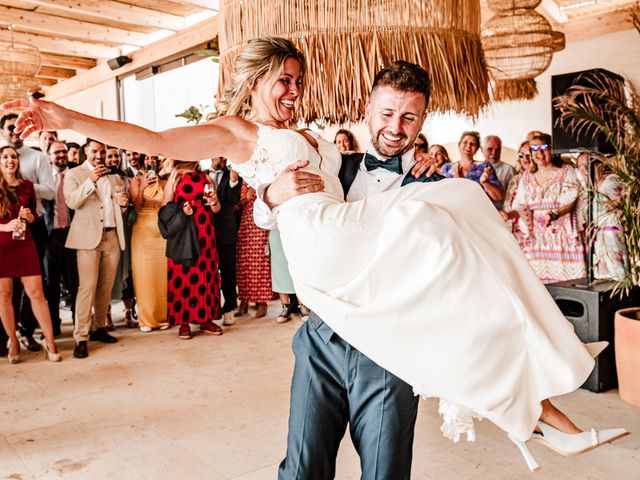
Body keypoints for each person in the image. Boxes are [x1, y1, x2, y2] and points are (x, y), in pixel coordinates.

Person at [3, 38, 626, 474]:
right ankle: (539, 399)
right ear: (254, 84)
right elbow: (155, 139)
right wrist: (66, 116)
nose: (294, 91)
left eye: (300, 81)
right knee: (304, 464)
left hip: (366, 284)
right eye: (284, 81)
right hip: (330, 268)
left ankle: (541, 395)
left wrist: (275, 191)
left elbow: (317, 184)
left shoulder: (323, 139)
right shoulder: (236, 132)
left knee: (463, 204)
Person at [63, 139, 128, 358]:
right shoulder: (74, 174)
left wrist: (124, 203)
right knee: (87, 287)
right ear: (86, 152)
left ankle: (100, 327)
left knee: (105, 286)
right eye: (94, 151)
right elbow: (72, 202)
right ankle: (81, 336)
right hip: (88, 239)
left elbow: (117, 205)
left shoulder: (114, 175)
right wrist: (91, 181)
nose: (99, 155)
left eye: (102, 151)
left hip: (111, 236)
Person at [0, 145, 60, 363]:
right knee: (5, 296)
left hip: (25, 244)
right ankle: (13, 341)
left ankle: (49, 341)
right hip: (1, 246)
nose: (10, 160)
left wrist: (30, 216)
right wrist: (5, 227)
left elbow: (35, 216)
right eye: (5, 157)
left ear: (18, 160)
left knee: (37, 294)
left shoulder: (27, 186)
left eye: (13, 157)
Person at [505, 134, 587, 283]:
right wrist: (508, 215)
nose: (539, 153)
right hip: (537, 239)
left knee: (568, 285)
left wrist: (555, 213)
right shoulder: (526, 177)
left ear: (553, 150)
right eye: (535, 148)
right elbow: (521, 206)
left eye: (544, 148)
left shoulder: (566, 171)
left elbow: (572, 200)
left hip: (562, 237)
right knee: (539, 286)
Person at [161, 159, 223, 339]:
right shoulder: (175, 178)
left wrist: (213, 202)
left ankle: (207, 319)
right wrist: (182, 210)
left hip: (205, 233)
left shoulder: (206, 178)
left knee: (207, 273)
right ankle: (183, 322)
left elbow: (216, 208)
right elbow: (165, 210)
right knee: (183, 274)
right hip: (182, 234)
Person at [129, 156, 169, 332]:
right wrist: (143, 187)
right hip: (143, 232)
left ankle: (165, 316)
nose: (151, 161)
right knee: (144, 275)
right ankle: (146, 319)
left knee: (163, 276)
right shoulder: (135, 180)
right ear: (144, 161)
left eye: (155, 158)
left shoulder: (166, 181)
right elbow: (136, 206)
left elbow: (169, 205)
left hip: (163, 231)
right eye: (148, 158)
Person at [44, 140, 78, 336]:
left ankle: (78, 324)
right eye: (56, 153)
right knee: (51, 285)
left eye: (63, 152)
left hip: (74, 234)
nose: (61, 155)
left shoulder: (75, 175)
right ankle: (54, 327)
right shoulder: (45, 177)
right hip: (51, 236)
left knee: (75, 283)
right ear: (49, 157)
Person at [209, 157, 242, 326]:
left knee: (227, 270)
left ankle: (229, 307)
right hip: (204, 230)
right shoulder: (202, 175)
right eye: (218, 154)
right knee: (207, 270)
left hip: (226, 230)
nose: (221, 158)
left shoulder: (234, 175)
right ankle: (209, 307)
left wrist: (234, 180)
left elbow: (233, 199)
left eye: (223, 154)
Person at [235, 183, 272, 318]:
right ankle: (243, 300)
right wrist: (245, 196)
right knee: (243, 263)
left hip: (260, 224)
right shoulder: (243, 181)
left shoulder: (262, 178)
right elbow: (238, 203)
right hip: (245, 224)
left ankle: (262, 302)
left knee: (260, 263)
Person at [442, 131, 504, 204]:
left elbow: (499, 196)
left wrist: (485, 182)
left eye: (472, 144)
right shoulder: (447, 168)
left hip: (477, 209)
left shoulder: (485, 167)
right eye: (465, 142)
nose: (468, 146)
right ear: (459, 145)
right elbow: (442, 193)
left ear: (477, 149)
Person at [501, 140, 535, 249]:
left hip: (534, 232)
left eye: (528, 154)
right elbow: (508, 205)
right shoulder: (515, 179)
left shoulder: (541, 178)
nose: (525, 158)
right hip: (514, 233)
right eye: (521, 155)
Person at [481, 135, 514, 209]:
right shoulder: (476, 168)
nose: (494, 153)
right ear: (482, 149)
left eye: (498, 149)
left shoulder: (509, 169)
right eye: (490, 149)